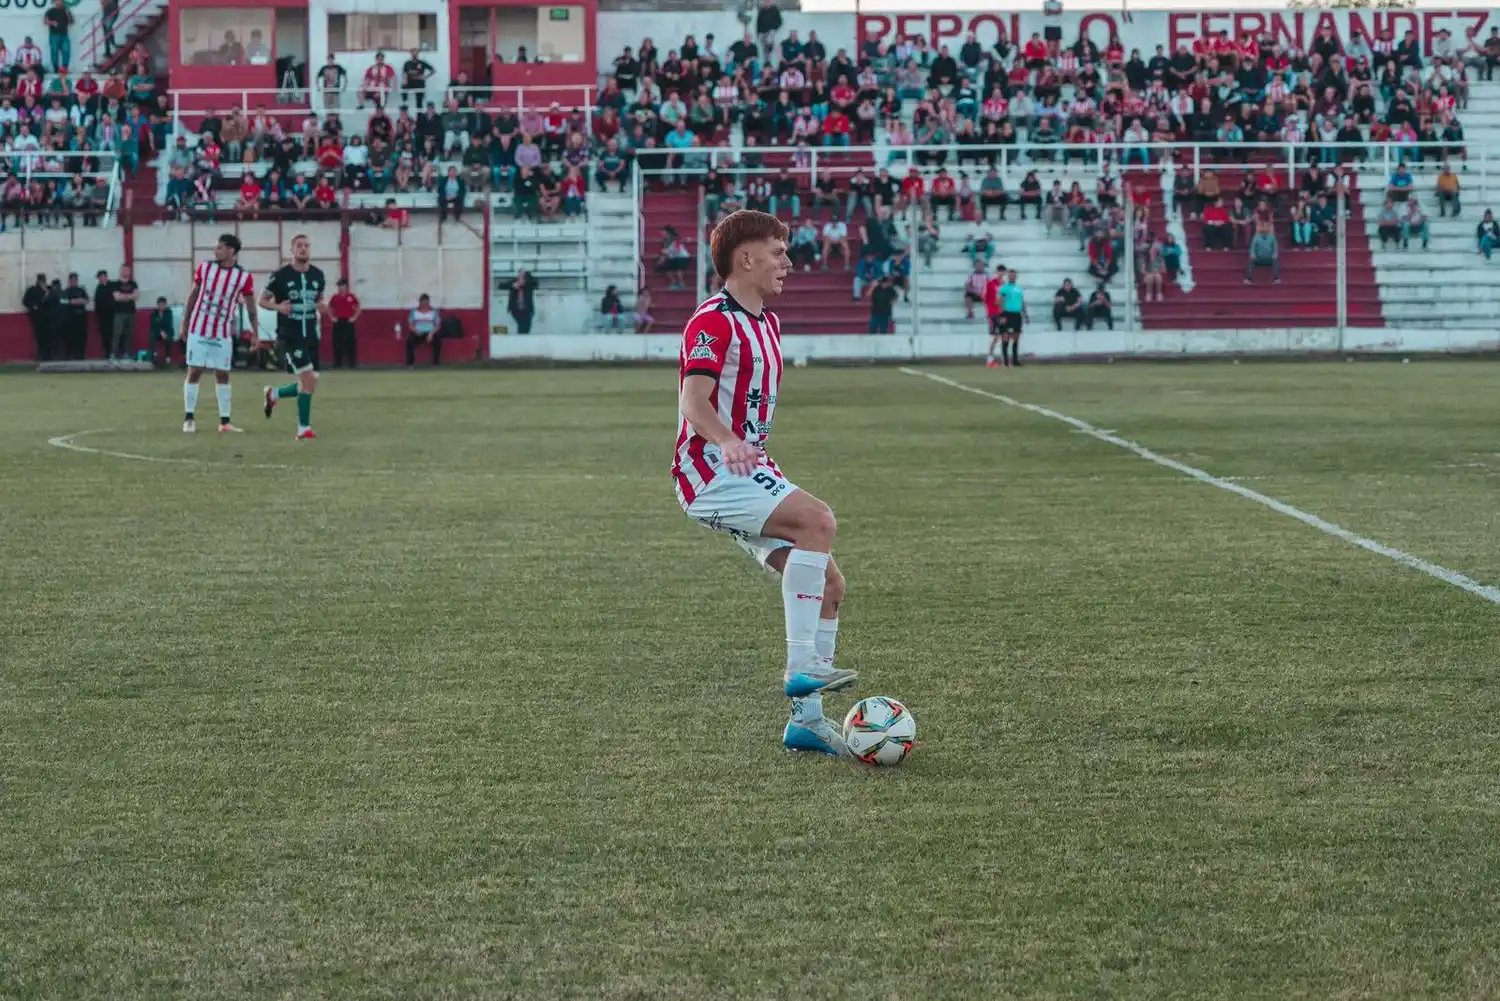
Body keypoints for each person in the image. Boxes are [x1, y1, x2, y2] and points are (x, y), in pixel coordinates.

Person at [672, 208, 854, 757]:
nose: (788, 263)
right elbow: (693, 401)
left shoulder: (767, 322)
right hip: (709, 472)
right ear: (745, 258)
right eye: (778, 252)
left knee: (830, 587)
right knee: (818, 520)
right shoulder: (712, 320)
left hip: (751, 469)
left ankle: (805, 723)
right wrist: (727, 440)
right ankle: (804, 667)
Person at [181, 233, 257, 433]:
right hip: (199, 328)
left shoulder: (243, 276)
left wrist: (255, 332)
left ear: (232, 251)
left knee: (223, 374)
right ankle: (189, 418)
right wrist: (185, 323)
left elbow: (250, 305)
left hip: (222, 332)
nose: (216, 251)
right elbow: (193, 295)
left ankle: (224, 422)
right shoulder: (205, 268)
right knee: (195, 371)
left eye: (221, 247)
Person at [259, 234, 327, 440]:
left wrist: (322, 305)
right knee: (308, 379)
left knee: (310, 382)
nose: (303, 249)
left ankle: (274, 394)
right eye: (299, 246)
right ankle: (302, 428)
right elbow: (262, 300)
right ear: (292, 250)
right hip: (291, 334)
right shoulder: (280, 276)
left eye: (306, 245)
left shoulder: (318, 275)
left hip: (311, 334)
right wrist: (278, 307)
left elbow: (320, 299)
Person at [995, 269, 1026, 367]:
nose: (1012, 276)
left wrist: (1026, 314)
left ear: (1016, 276)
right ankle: (1005, 361)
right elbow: (999, 301)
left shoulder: (1019, 288)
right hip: (1007, 314)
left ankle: (1015, 360)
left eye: (1014, 275)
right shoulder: (1003, 288)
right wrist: (1002, 315)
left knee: (1016, 337)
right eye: (1011, 275)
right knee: (1006, 337)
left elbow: (1022, 301)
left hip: (1017, 314)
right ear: (1008, 276)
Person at [328, 278, 361, 368]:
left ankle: (352, 363)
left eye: (341, 286)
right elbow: (330, 308)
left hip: (348, 321)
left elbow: (358, 307)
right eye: (339, 286)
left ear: (346, 287)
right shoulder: (335, 297)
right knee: (337, 342)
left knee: (350, 341)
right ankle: (337, 363)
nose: (340, 288)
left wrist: (354, 318)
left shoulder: (351, 296)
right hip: (338, 321)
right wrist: (332, 317)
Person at [109, 264, 139, 359]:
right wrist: (130, 296)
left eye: (127, 270)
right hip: (119, 312)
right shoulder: (115, 284)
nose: (126, 272)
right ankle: (113, 353)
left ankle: (126, 354)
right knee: (117, 333)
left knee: (128, 334)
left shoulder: (133, 283)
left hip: (131, 312)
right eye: (124, 270)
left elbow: (136, 296)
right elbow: (117, 298)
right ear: (120, 271)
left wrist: (124, 296)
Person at [405, 293, 442, 365]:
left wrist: (431, 333)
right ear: (420, 302)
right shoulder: (414, 312)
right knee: (409, 342)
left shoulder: (433, 312)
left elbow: (438, 325)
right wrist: (416, 331)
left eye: (427, 302)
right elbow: (410, 324)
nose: (425, 304)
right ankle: (410, 363)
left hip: (430, 333)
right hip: (418, 332)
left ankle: (435, 362)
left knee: (438, 342)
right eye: (424, 302)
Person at [61, 273, 89, 359]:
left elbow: (86, 301)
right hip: (70, 317)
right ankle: (69, 354)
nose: (74, 281)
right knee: (69, 337)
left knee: (81, 337)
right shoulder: (66, 291)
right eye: (72, 279)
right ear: (69, 281)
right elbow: (63, 302)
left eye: (75, 279)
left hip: (81, 316)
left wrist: (73, 301)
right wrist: (77, 300)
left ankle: (80, 354)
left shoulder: (81, 290)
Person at [149, 296, 177, 367]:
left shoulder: (169, 312)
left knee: (169, 338)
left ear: (165, 305)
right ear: (157, 305)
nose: (161, 306)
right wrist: (160, 331)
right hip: (157, 332)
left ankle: (168, 358)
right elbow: (153, 325)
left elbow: (169, 324)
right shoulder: (153, 313)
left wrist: (165, 332)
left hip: (167, 331)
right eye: (160, 304)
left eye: (163, 304)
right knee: (151, 336)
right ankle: (154, 355)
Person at [93, 269, 114, 359]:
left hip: (113, 315)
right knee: (105, 335)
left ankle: (114, 352)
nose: (100, 279)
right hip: (102, 316)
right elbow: (96, 303)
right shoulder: (98, 289)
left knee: (114, 334)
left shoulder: (112, 286)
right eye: (99, 278)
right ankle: (107, 353)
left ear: (105, 277)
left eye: (101, 277)